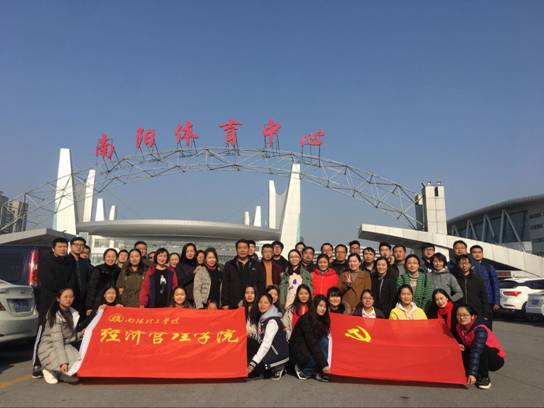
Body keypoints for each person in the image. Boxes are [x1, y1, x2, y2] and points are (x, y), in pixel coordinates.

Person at [33, 237, 77, 378]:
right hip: (49, 302)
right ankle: (37, 364)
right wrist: (63, 292)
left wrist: (68, 294)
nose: (63, 249)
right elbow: (47, 281)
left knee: (62, 334)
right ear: (53, 248)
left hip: (65, 302)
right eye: (60, 246)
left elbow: (72, 279)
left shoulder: (70, 261)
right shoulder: (46, 261)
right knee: (43, 332)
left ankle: (60, 363)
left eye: (65, 246)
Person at [37, 288, 82, 384]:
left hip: (64, 345)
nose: (68, 299)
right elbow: (57, 341)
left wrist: (80, 334)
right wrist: (63, 363)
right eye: (65, 297)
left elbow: (69, 337)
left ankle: (57, 372)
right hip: (49, 346)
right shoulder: (54, 315)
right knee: (66, 365)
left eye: (71, 297)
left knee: (77, 361)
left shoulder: (73, 313)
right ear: (58, 299)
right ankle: (48, 369)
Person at [455, 304, 505, 389]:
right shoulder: (459, 327)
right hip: (479, 354)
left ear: (472, 316)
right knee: (462, 349)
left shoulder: (480, 329)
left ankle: (484, 378)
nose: (462, 318)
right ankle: (474, 372)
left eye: (465, 315)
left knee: (481, 348)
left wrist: (472, 373)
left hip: (495, 360)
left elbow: (476, 351)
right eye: (459, 315)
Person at [247, 294, 289, 380]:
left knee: (251, 372)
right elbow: (260, 338)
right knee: (248, 341)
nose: (262, 305)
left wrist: (252, 364)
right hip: (270, 350)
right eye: (260, 302)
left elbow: (266, 344)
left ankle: (277, 368)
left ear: (271, 305)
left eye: (266, 303)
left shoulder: (272, 321)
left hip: (276, 355)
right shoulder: (264, 317)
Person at [290, 295, 331, 382]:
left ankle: (317, 370)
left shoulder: (323, 319)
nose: (323, 309)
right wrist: (324, 364)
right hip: (299, 349)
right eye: (320, 306)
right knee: (318, 348)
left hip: (309, 346)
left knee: (325, 340)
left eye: (325, 307)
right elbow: (312, 343)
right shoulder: (306, 319)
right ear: (314, 306)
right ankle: (304, 370)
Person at [221, 239, 263, 309]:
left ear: (248, 249)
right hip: (233, 304)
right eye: (240, 248)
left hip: (252, 304)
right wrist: (225, 303)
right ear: (236, 250)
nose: (242, 250)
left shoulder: (257, 265)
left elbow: (261, 285)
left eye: (245, 248)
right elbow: (225, 285)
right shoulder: (229, 265)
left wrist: (259, 302)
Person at [470, 245, 500, 329]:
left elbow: (495, 284)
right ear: (470, 254)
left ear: (482, 254)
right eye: (474, 252)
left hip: (487, 301)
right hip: (473, 301)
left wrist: (496, 301)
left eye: (479, 252)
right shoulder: (467, 266)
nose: (477, 254)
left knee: (487, 325)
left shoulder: (489, 267)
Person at [85, 248, 121, 315]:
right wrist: (89, 306)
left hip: (113, 303)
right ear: (104, 258)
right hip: (98, 303)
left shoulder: (119, 270)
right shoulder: (97, 269)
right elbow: (91, 289)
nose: (111, 259)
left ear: (116, 258)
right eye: (108, 256)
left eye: (113, 256)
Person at [455, 255, 489, 319]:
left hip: (476, 311)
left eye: (466, 263)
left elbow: (484, 297)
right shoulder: (454, 279)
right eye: (462, 263)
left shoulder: (478, 280)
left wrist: (485, 314)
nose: (464, 265)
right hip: (460, 312)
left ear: (470, 265)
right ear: (458, 265)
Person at [69, 237, 92, 315]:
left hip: (83, 299)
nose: (79, 247)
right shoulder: (65, 261)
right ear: (71, 246)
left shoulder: (85, 263)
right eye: (76, 244)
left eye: (81, 245)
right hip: (69, 298)